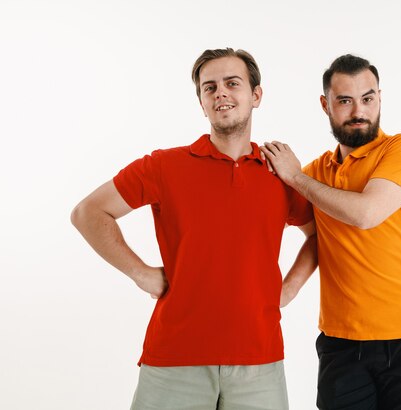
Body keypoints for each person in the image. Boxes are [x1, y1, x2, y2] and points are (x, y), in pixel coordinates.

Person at [70, 48, 316, 410]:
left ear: (256, 95)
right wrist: (140, 274)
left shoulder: (280, 173)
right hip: (174, 358)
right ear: (201, 102)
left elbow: (320, 234)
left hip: (259, 360)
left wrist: (289, 289)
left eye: (233, 83)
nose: (221, 93)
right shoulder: (164, 166)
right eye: (209, 87)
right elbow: (88, 212)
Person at [260, 54, 401, 410]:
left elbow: (366, 214)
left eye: (368, 98)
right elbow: (317, 237)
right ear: (326, 105)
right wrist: (284, 291)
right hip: (342, 338)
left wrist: (295, 177)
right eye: (345, 100)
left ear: (380, 97)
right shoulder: (317, 173)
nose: (358, 110)